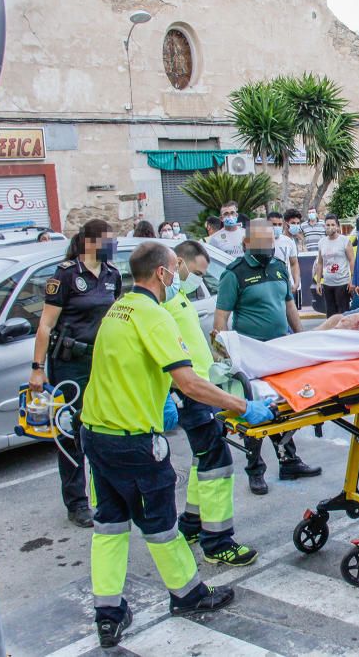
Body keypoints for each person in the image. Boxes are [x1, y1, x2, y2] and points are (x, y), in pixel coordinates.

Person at [80, 241, 274, 648]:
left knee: (110, 527)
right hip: (134, 441)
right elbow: (189, 381)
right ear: (162, 273)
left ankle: (108, 615)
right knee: (161, 527)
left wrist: (162, 395)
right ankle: (189, 595)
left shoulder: (118, 309)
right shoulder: (154, 315)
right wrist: (243, 406)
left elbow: (126, 367)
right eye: (173, 268)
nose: (176, 274)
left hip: (96, 436)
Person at [164, 240, 258, 567]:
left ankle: (191, 523)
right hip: (193, 395)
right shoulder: (163, 303)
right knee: (217, 463)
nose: (198, 280)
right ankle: (217, 541)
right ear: (178, 264)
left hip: (202, 389)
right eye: (197, 272)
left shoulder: (177, 297)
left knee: (202, 458)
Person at [214, 219, 321, 495]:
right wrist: (226, 358)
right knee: (256, 413)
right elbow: (221, 320)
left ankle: (289, 460)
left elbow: (288, 305)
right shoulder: (234, 274)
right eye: (262, 243)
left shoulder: (277, 268)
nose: (268, 248)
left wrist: (301, 339)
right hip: (251, 356)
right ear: (246, 244)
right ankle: (255, 470)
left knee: (285, 407)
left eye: (271, 242)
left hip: (280, 350)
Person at [30, 219, 121, 528]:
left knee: (101, 428)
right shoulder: (66, 275)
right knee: (71, 433)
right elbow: (45, 325)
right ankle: (77, 502)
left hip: (100, 363)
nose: (113, 245)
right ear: (90, 242)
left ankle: (104, 492)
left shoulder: (112, 275)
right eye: (108, 239)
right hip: (70, 363)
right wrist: (37, 369)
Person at [314, 214, 355, 318]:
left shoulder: (344, 241)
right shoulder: (321, 242)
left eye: (332, 224)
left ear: (337, 226)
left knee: (343, 315)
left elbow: (351, 260)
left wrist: (352, 280)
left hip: (342, 283)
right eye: (327, 225)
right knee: (330, 315)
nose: (330, 227)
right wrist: (318, 282)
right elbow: (320, 262)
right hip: (327, 284)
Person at [267, 211, 302, 294]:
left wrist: (296, 282)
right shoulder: (261, 242)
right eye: (274, 225)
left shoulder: (288, 241)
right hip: (268, 286)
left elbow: (294, 263)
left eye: (279, 225)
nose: (277, 227)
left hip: (286, 284)